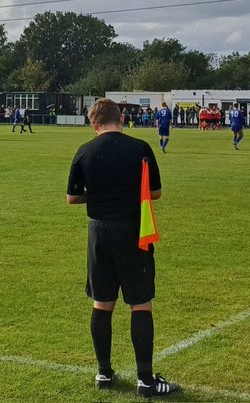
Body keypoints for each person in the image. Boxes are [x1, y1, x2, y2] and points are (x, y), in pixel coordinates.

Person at [66, 98, 180, 398]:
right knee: (140, 302)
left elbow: (72, 197)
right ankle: (145, 380)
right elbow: (155, 192)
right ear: (122, 118)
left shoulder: (84, 151)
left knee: (102, 303)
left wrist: (99, 194)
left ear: (94, 124)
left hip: (98, 232)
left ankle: (103, 373)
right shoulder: (140, 148)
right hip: (132, 230)